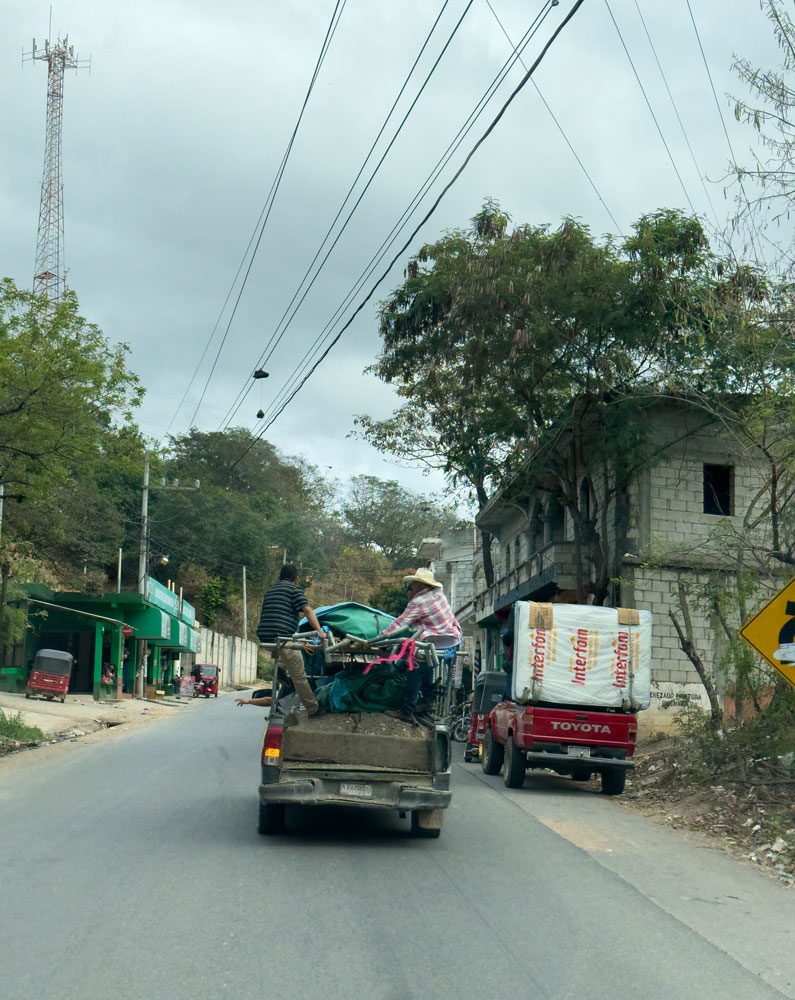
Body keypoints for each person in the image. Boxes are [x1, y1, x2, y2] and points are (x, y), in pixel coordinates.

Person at [377, 567, 462, 722]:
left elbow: (400, 623)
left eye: (412, 585)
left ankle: (406, 710)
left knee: (413, 668)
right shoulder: (439, 595)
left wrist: (380, 638)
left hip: (435, 642)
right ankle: (427, 701)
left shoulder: (418, 602)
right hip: (451, 641)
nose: (411, 588)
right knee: (421, 666)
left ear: (420, 586)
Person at [255, 563, 324, 715]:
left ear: (279, 577)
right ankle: (314, 709)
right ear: (296, 579)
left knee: (289, 648)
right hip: (282, 638)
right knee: (299, 676)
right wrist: (320, 632)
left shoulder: (271, 590)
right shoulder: (294, 590)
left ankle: (280, 666)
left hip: (265, 637)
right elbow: (307, 610)